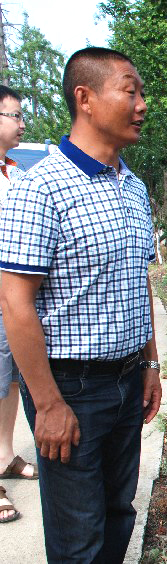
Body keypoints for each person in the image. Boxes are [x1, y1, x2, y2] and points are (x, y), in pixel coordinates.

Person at [0, 47, 161, 563]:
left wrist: (150, 364)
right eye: (130, 91)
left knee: (118, 512)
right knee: (78, 537)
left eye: (141, 93)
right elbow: (15, 302)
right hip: (70, 387)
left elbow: (139, 281)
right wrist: (48, 404)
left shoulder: (133, 187)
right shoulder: (40, 188)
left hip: (127, 379)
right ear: (85, 98)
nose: (141, 104)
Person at [0, 85, 37, 525]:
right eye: (14, 115)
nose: (21, 124)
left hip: (11, 300)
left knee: (9, 381)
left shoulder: (15, 172)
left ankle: (5, 455)